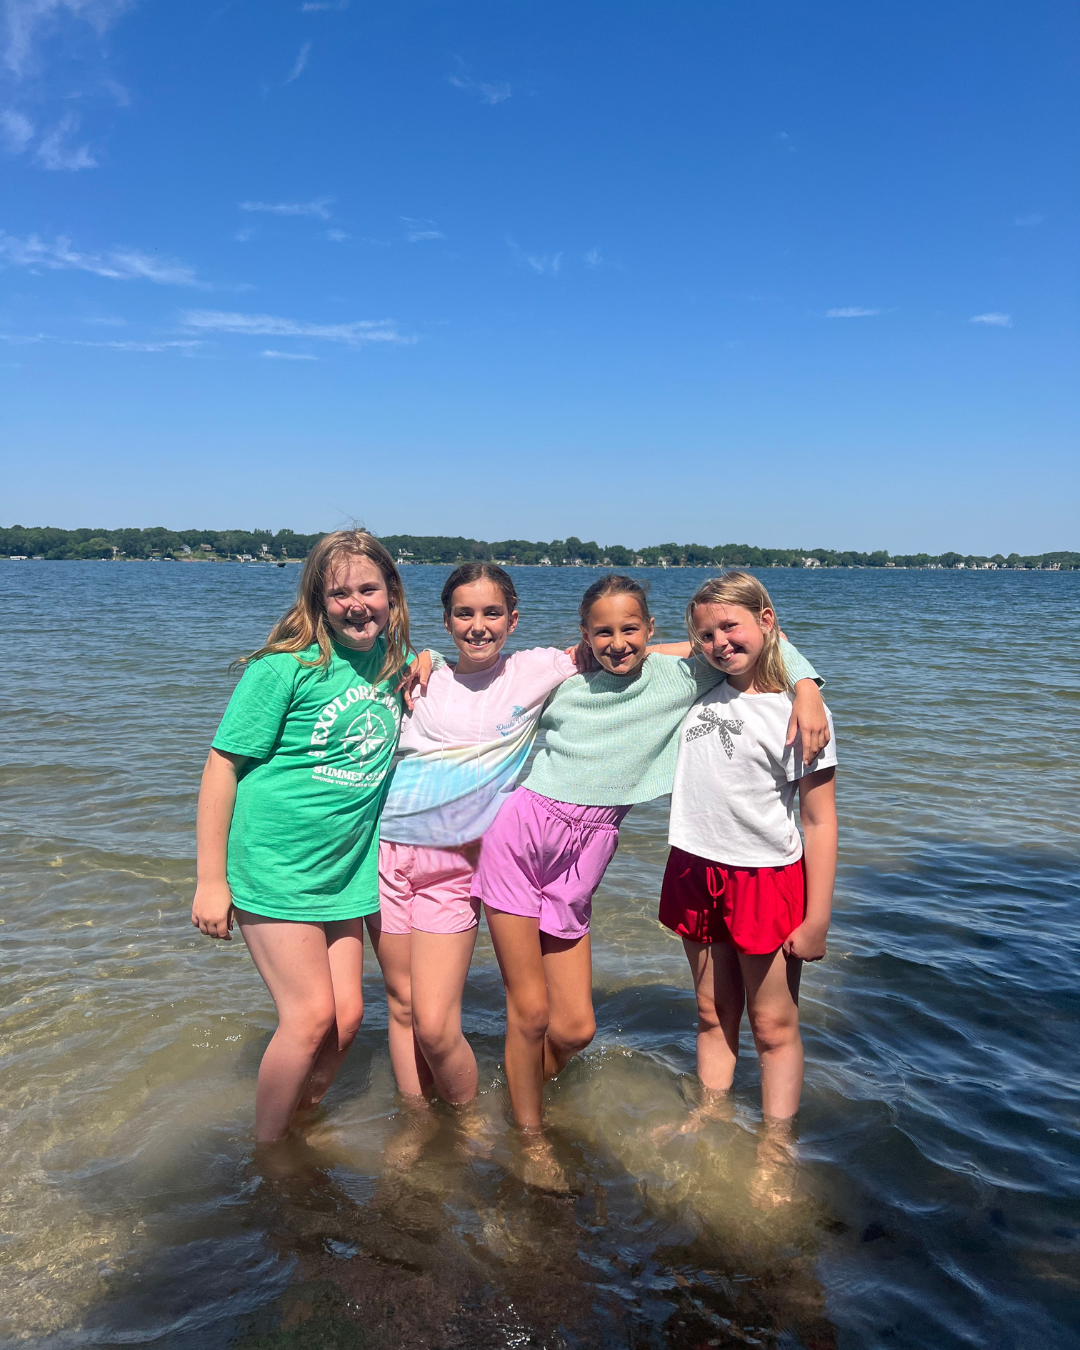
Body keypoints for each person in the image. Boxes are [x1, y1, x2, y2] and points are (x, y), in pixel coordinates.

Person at [470, 573, 829, 1186]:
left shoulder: (683, 673)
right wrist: (417, 661)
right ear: (583, 636)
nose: (616, 642)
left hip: (590, 851)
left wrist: (807, 686)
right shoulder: (561, 673)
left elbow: (759, 638)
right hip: (522, 834)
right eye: (602, 632)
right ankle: (527, 1136)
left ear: (652, 630)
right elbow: (478, 674)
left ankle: (521, 1092)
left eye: (630, 629)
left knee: (576, 1027)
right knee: (529, 1013)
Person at [190, 530, 429, 1146]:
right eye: (339, 593)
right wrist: (210, 880)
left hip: (343, 870)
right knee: (309, 1016)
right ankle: (267, 1153)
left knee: (347, 1018)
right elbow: (222, 766)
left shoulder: (394, 662)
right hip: (274, 863)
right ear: (318, 602)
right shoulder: (284, 668)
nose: (357, 604)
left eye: (369, 589)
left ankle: (299, 1117)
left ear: (392, 593)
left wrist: (427, 659)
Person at [370, 563, 582, 1120]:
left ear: (514, 619)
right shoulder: (422, 672)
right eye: (464, 613)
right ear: (445, 621)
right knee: (402, 1007)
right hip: (387, 853)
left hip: (458, 865)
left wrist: (796, 677)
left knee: (436, 1026)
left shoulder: (535, 670)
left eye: (492, 613)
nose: (478, 625)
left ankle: (465, 1127)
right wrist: (420, 658)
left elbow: (637, 649)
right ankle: (416, 1124)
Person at [657, 571, 837, 1192]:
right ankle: (709, 1112)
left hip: (766, 879)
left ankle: (776, 1144)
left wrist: (817, 919)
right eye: (705, 633)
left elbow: (819, 820)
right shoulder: (697, 687)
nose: (718, 642)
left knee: (773, 1025)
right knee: (711, 1010)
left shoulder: (800, 712)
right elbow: (632, 651)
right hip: (692, 865)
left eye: (730, 626)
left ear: (766, 621)